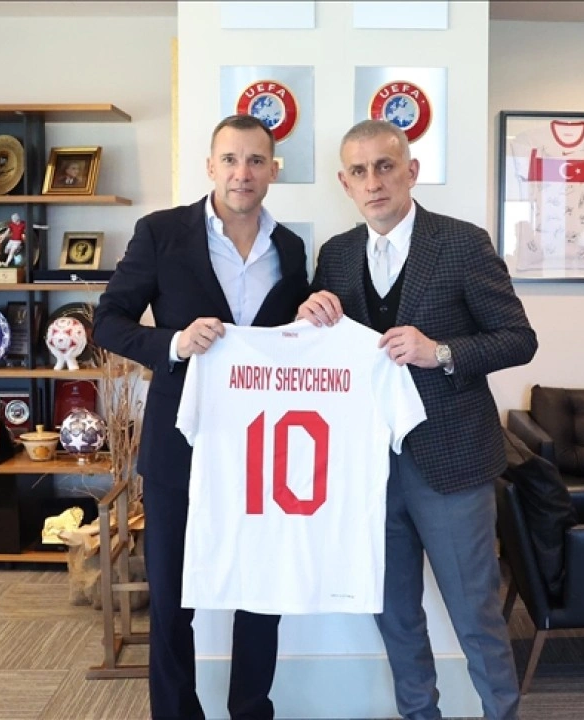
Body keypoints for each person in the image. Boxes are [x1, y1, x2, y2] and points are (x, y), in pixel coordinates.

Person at [298, 119, 537, 720]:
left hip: (452, 463)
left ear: (411, 171)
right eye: (359, 171)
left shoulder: (462, 243)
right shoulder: (337, 254)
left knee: (475, 613)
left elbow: (519, 338)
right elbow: (325, 354)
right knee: (395, 614)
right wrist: (309, 315)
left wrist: (442, 352)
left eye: (385, 166)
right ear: (344, 183)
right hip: (367, 469)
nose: (373, 182)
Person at [93, 114, 309, 720]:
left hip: (263, 449)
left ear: (272, 170)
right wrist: (173, 343)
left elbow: (292, 343)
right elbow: (107, 322)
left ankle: (251, 710)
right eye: (231, 160)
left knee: (260, 594)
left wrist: (315, 312)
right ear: (210, 167)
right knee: (172, 598)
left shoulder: (291, 249)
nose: (243, 173)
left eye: (256, 161)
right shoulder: (161, 233)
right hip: (178, 444)